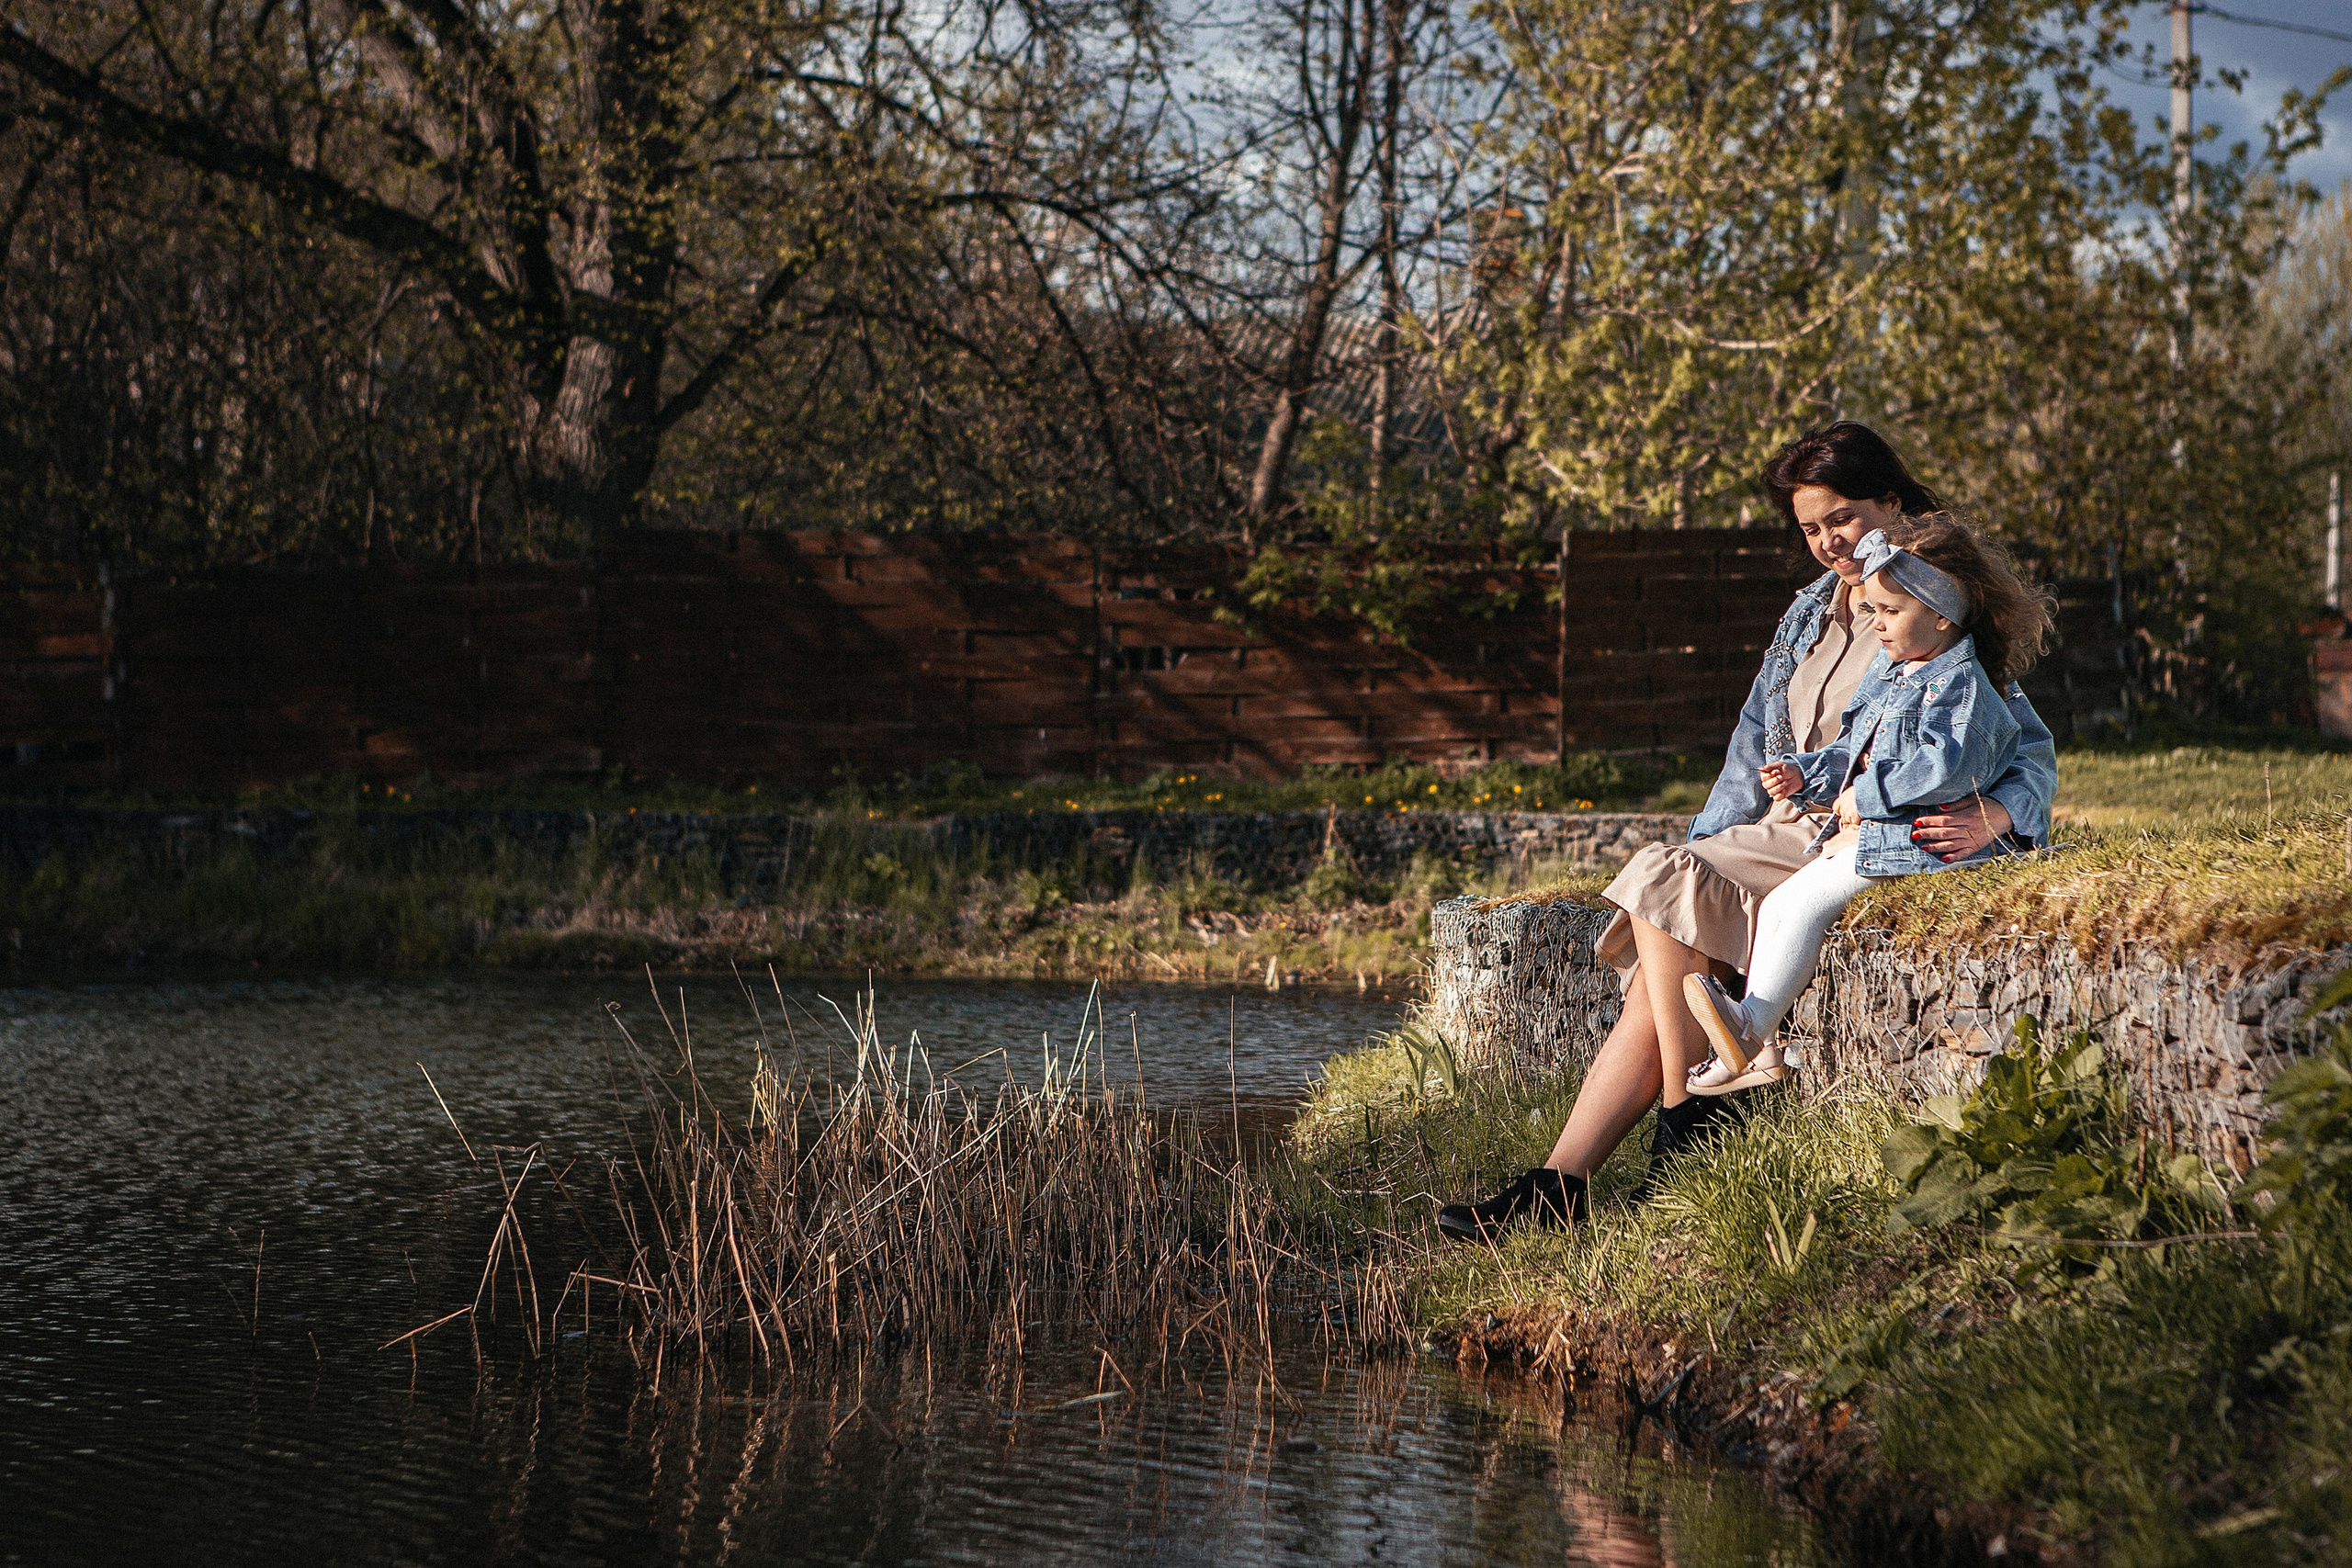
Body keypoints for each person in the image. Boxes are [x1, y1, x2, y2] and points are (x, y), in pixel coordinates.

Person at [1434, 423, 2058, 1244]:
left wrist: (2001, 814)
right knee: (1670, 902)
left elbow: (2027, 746)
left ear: (1893, 506)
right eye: (1811, 527)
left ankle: (1678, 1125)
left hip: (1837, 834)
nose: (1830, 541)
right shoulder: (1807, 615)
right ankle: (1566, 1179)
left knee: (1666, 886)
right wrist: (1703, 850)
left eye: (1844, 517)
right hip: (1777, 827)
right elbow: (1749, 746)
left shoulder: (1926, 602)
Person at [1682, 513, 2052, 1086]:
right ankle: (1759, 1046)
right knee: (1775, 904)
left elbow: (1947, 767)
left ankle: (1751, 1026)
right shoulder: (1892, 672)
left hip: (1921, 842)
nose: (1875, 625)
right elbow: (1852, 747)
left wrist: (1870, 794)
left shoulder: (1964, 685)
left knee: (1802, 904)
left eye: (1889, 611)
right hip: (1876, 833)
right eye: (1870, 611)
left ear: (1940, 614)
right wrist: (1806, 776)